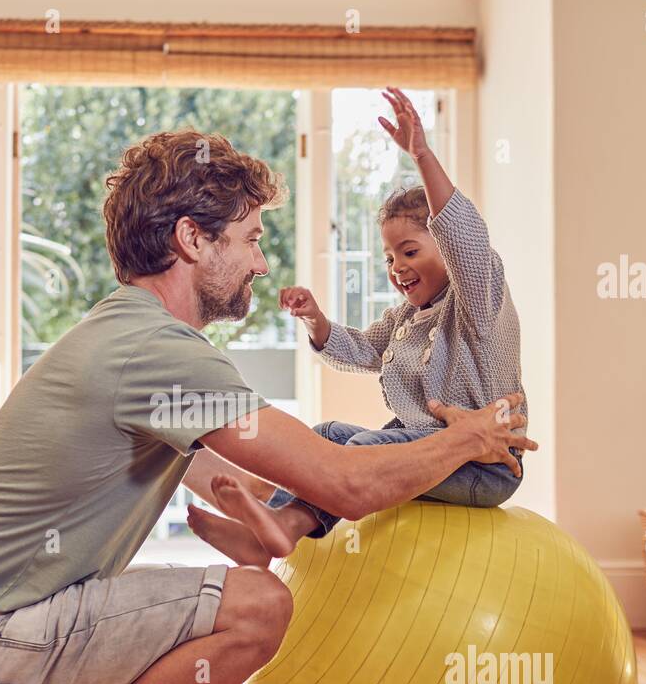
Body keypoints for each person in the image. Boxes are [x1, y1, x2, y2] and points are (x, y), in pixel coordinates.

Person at [0, 128, 536, 684]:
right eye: (252, 238)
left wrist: (268, 513)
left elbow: (240, 473)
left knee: (203, 588)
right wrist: (470, 439)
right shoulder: (159, 353)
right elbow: (347, 483)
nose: (261, 262)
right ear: (193, 239)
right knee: (258, 608)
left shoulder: (122, 334)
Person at [190, 87, 528, 567]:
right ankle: (264, 530)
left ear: (447, 253)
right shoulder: (406, 319)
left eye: (411, 251)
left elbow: (466, 241)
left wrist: (423, 155)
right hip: (431, 450)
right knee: (327, 435)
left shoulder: (479, 301)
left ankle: (287, 526)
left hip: (484, 466)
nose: (397, 266)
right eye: (390, 257)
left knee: (363, 453)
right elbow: (363, 349)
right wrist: (316, 321)